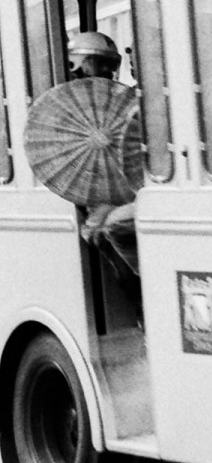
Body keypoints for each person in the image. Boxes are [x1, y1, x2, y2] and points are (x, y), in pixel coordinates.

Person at [65, 32, 143, 307]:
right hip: (95, 196)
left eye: (111, 64)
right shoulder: (67, 105)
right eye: (99, 63)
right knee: (104, 229)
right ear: (79, 65)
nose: (108, 72)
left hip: (127, 188)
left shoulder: (124, 99)